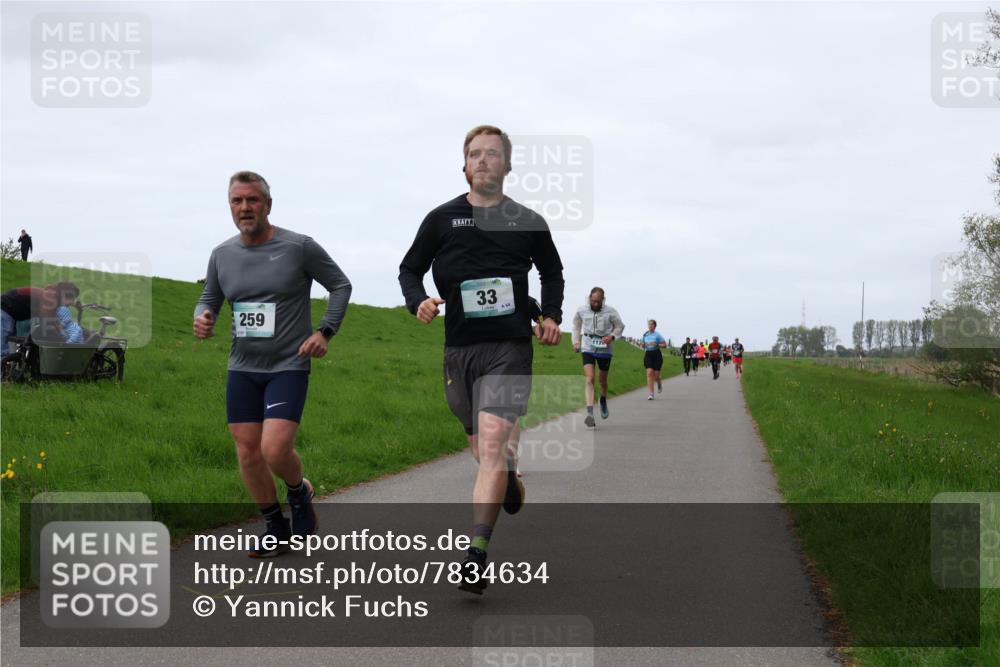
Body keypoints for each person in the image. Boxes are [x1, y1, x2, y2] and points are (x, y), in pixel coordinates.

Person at [398, 125, 564, 595]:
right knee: (484, 452)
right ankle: (508, 470)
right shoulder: (441, 220)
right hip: (459, 350)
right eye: (475, 154)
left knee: (490, 444)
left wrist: (549, 315)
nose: (484, 160)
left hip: (510, 346)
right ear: (464, 165)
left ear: (507, 166)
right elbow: (409, 268)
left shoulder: (527, 221)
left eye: (493, 154)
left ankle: (476, 553)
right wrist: (419, 301)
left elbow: (551, 272)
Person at [194, 171, 352, 558]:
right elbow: (209, 297)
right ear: (230, 206)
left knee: (275, 450)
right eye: (237, 201)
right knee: (247, 453)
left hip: (288, 363)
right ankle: (274, 526)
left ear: (268, 204)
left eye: (252, 200)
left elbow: (340, 285)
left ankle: (300, 492)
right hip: (243, 367)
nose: (245, 207)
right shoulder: (222, 254)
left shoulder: (299, 247)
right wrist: (202, 315)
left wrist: (324, 332)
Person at [572, 287, 625, 427]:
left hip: (605, 348)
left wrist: (612, 336)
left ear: (603, 300)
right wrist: (576, 342)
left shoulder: (610, 311)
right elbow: (576, 327)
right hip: (588, 346)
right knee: (589, 378)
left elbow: (620, 326)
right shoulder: (581, 310)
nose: (595, 304)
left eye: (598, 302)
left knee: (602, 380)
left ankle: (602, 399)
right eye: (593, 301)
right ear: (589, 298)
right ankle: (589, 413)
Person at [1, 281, 79, 353]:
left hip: (10, 312)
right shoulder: (51, 297)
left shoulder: (54, 298)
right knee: (2, 348)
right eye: (72, 299)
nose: (72, 303)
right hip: (5, 309)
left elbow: (54, 320)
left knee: (8, 346)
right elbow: (47, 319)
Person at [641, 319, 667, 399]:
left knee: (656, 376)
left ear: (655, 326)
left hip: (657, 355)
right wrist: (644, 344)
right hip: (648, 354)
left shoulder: (657, 335)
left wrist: (657, 344)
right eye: (649, 324)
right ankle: (651, 394)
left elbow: (665, 345)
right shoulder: (645, 335)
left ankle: (659, 382)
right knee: (649, 373)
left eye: (651, 324)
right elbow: (642, 344)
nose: (650, 326)